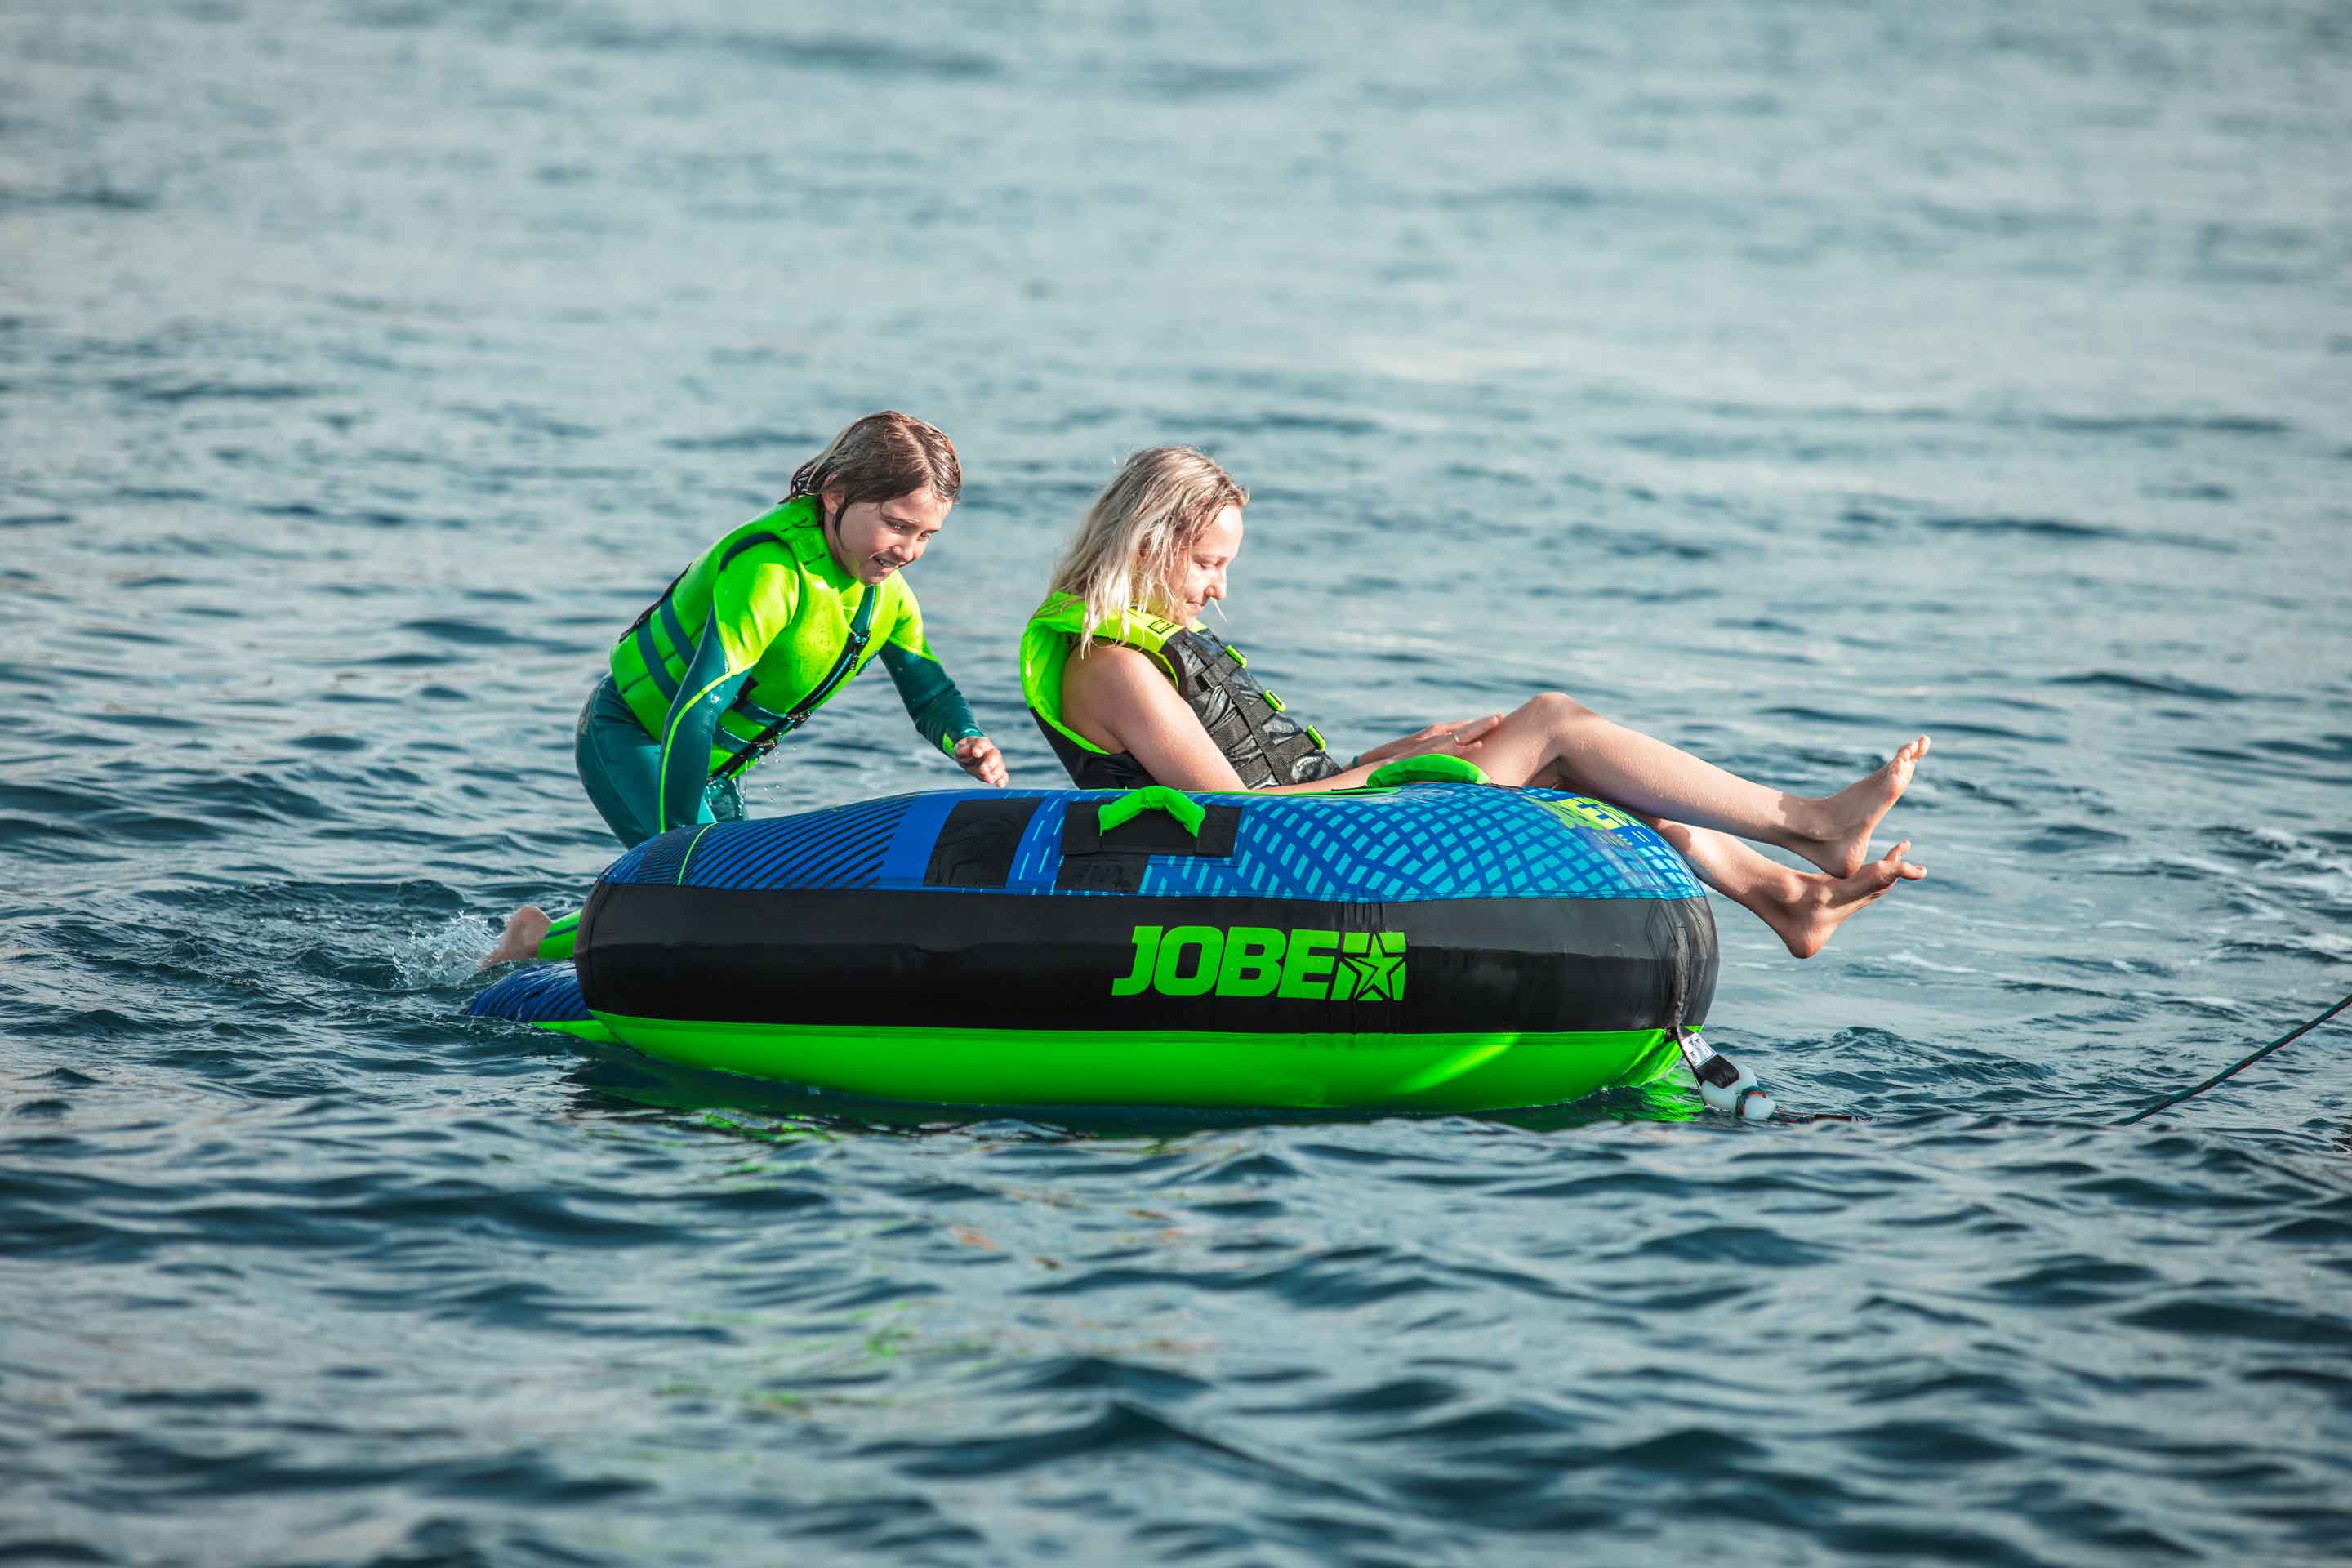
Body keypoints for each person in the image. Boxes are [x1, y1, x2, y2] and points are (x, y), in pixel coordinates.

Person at [1018, 445, 1930, 960]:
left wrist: (1382, 757)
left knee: (1564, 759)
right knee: (1552, 723)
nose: (1220, 589)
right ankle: (1807, 828)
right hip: (1283, 858)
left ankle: (1786, 894)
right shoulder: (1112, 667)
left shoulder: (1149, 644)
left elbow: (1265, 780)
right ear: (1150, 543)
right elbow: (1231, 817)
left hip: (1323, 815)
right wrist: (1384, 777)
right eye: (1209, 564)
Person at [483, 411, 1006, 967]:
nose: (909, 551)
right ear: (836, 495)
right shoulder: (770, 573)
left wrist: (963, 735)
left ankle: (538, 936)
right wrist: (686, 842)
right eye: (897, 526)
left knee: (746, 901)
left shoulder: (886, 598)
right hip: (636, 739)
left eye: (926, 535)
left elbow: (928, 692)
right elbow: (696, 707)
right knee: (713, 899)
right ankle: (538, 945)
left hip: (709, 766)